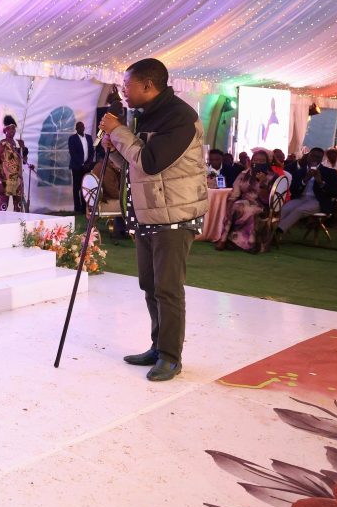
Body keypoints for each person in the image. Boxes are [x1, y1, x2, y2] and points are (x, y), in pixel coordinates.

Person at [99, 58, 208, 382]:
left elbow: (150, 161)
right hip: (150, 213)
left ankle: (171, 357)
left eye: (127, 85)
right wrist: (115, 145)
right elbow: (137, 161)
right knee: (149, 284)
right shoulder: (148, 115)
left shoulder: (179, 117)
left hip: (174, 216)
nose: (123, 91)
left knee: (168, 288)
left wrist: (118, 132)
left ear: (148, 85)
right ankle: (158, 346)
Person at [215, 150, 276, 253]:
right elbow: (236, 191)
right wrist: (230, 202)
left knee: (248, 210)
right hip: (244, 201)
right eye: (256, 160)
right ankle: (224, 239)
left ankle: (249, 243)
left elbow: (268, 200)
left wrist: (263, 183)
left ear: (267, 162)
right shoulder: (244, 174)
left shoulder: (272, 177)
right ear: (251, 161)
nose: (259, 163)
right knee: (234, 206)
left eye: (262, 161)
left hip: (262, 205)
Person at [275, 147, 337, 235]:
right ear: (308, 156)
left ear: (321, 159)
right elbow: (293, 190)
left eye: (318, 157)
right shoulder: (299, 172)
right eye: (313, 156)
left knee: (299, 210)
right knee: (285, 209)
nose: (315, 159)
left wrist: (321, 183)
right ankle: (272, 230)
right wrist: (304, 180)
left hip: (318, 201)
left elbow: (334, 192)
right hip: (300, 198)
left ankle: (277, 231)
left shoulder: (330, 172)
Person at [0, 115, 27, 212]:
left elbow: (24, 162)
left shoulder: (17, 145)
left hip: (18, 181)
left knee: (18, 207)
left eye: (14, 128)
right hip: (5, 181)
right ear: (4, 130)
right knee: (4, 207)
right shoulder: (1, 145)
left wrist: (23, 148)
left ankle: (18, 225)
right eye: (10, 128)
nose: (12, 131)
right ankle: (2, 225)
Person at [67, 121, 95, 212]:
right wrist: (82, 164)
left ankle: (84, 208)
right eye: (79, 127)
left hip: (87, 167)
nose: (81, 128)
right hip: (77, 167)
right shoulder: (72, 139)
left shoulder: (89, 138)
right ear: (76, 129)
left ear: (84, 127)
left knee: (85, 187)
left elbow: (92, 152)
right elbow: (73, 153)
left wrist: (88, 163)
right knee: (76, 188)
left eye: (82, 127)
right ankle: (77, 208)